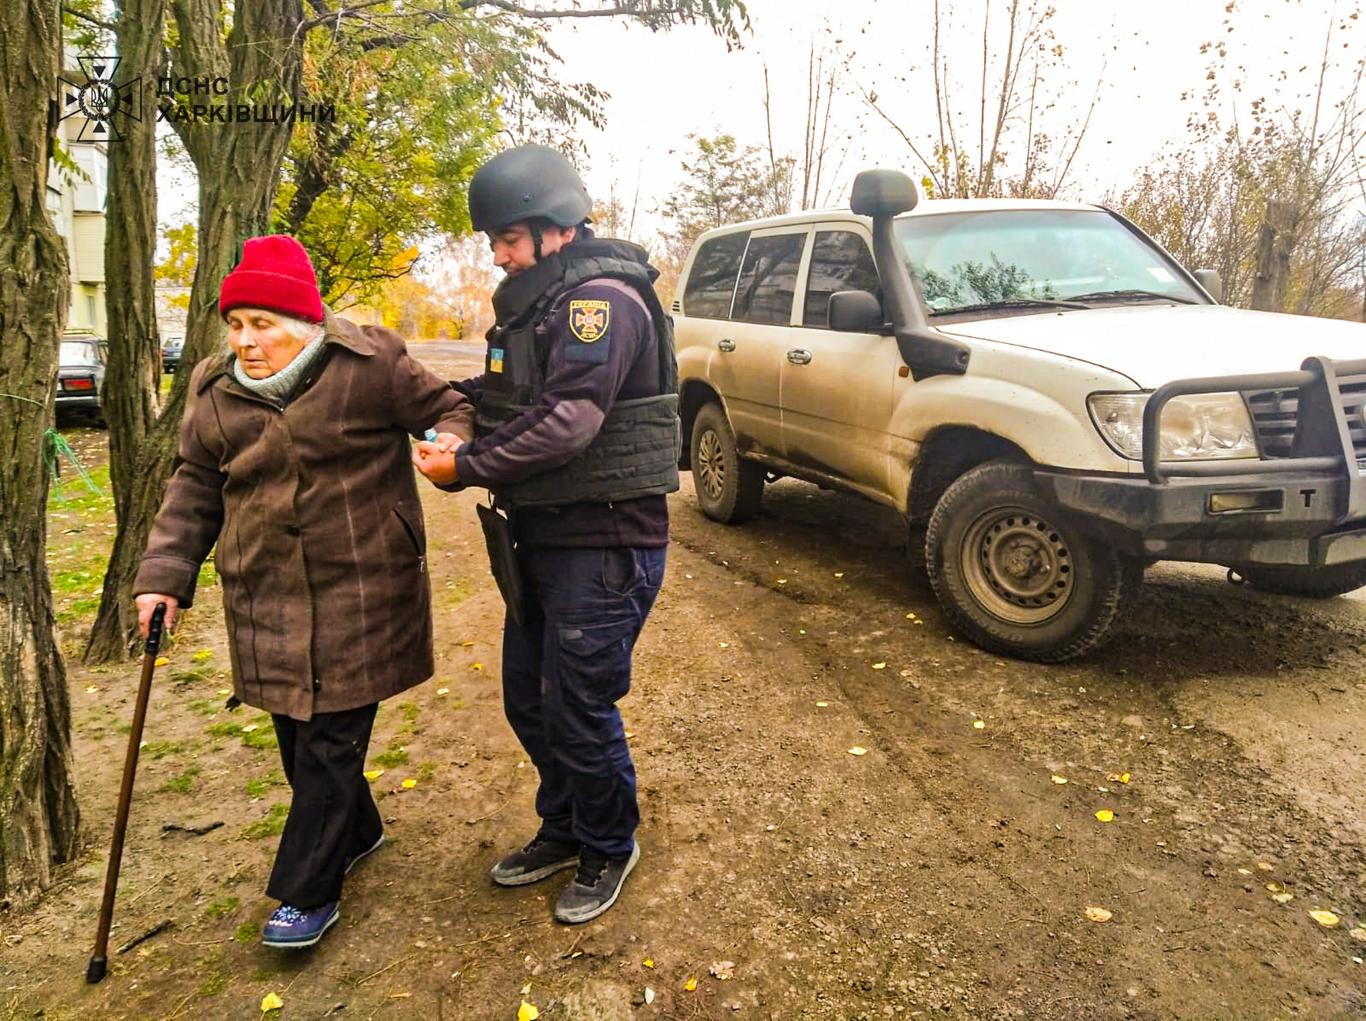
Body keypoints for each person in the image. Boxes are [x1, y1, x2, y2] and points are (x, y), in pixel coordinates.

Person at [134, 234, 472, 949]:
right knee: (296, 732)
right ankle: (360, 829)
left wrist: (447, 443)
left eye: (263, 325)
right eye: (236, 325)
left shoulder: (370, 363)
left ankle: (307, 891)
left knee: (329, 738)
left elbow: (448, 406)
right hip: (265, 590)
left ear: (304, 324)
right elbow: (194, 486)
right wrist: (165, 575)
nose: (247, 342)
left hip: (362, 584)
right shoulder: (212, 389)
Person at [412, 144, 679, 925]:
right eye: (495, 240)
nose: (497, 253)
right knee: (531, 699)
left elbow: (571, 421)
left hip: (605, 542)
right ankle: (565, 826)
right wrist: (433, 408)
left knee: (576, 703)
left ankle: (608, 842)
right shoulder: (534, 308)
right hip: (545, 540)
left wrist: (467, 467)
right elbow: (493, 393)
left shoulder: (603, 303)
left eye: (508, 238)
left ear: (556, 223)